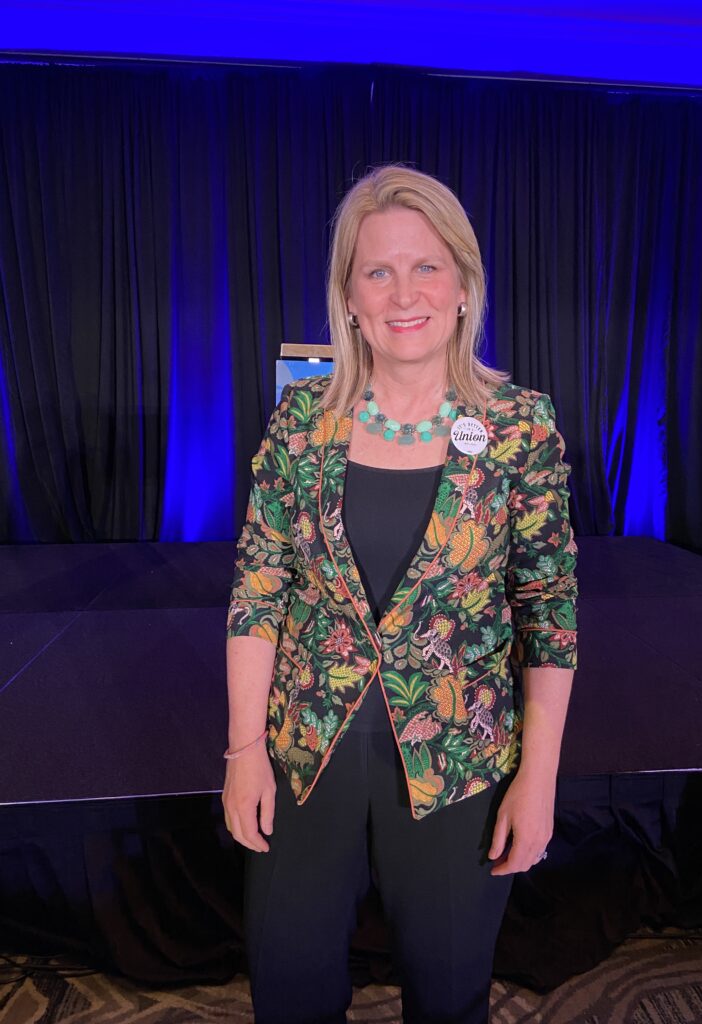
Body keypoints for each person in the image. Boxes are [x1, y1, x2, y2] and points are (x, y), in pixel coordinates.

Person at [223, 164, 578, 1024]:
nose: (404, 293)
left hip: (458, 764)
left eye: (426, 267)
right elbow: (258, 591)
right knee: (288, 993)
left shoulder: (520, 427)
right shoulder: (302, 422)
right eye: (377, 271)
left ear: (463, 285)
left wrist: (539, 778)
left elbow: (550, 615)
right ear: (349, 298)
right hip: (305, 757)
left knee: (449, 998)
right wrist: (242, 753)